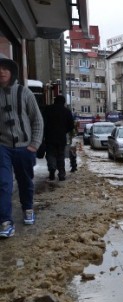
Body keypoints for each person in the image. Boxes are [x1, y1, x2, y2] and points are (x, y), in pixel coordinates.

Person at [0, 54, 44, 238]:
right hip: (3, 147)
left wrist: (34, 144)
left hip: (25, 147)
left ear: (12, 72)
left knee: (25, 181)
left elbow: (37, 120)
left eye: (5, 68)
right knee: (3, 183)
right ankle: (5, 221)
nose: (1, 72)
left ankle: (27, 208)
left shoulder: (24, 93)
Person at [43, 95, 74, 181]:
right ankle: (61, 174)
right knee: (60, 155)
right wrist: (64, 130)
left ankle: (52, 168)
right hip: (61, 138)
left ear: (55, 101)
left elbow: (42, 122)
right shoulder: (66, 111)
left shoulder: (47, 109)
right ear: (64, 102)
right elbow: (71, 125)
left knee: (50, 154)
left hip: (49, 137)